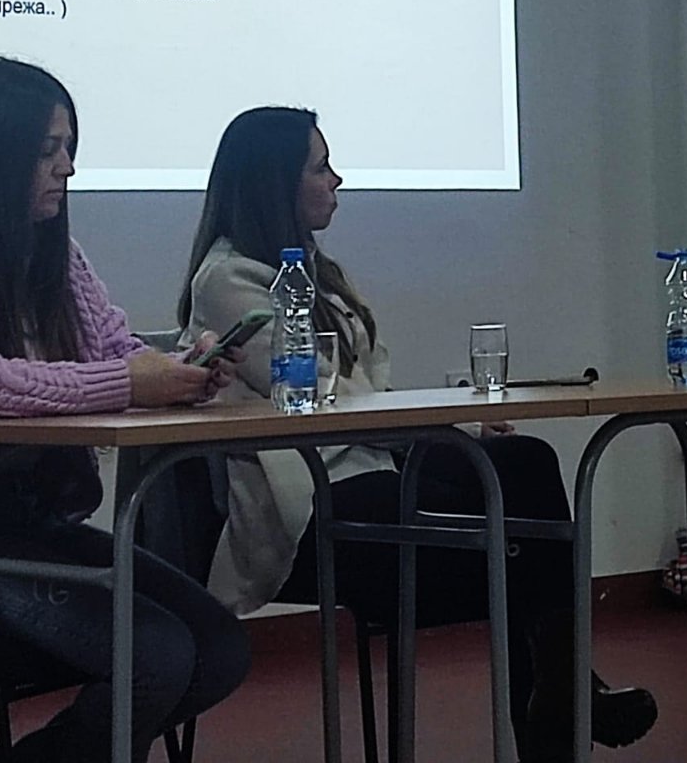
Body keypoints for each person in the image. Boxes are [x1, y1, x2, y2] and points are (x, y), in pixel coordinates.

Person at [177, 107, 657, 762]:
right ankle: (567, 698)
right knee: (513, 542)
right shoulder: (229, 279)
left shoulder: (321, 274)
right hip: (308, 503)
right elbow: (325, 394)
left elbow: (369, 388)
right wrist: (440, 426)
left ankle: (564, 691)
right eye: (321, 168)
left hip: (367, 465)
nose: (337, 180)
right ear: (274, 183)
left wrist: (449, 424)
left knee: (523, 463)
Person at [0, 56, 250, 763]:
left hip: (21, 529)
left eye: (69, 148)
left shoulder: (54, 248)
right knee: (158, 657)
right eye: (47, 151)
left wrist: (183, 370)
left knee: (217, 649)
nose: (67, 168)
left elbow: (115, 351)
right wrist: (128, 384)